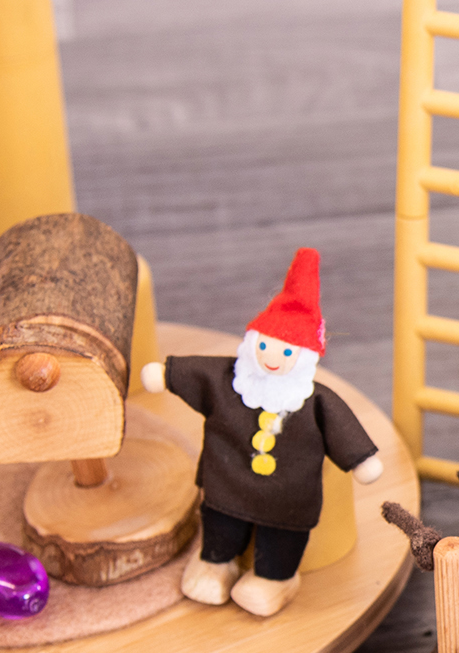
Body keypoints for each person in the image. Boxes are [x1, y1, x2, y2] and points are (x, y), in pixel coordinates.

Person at [142, 249, 383, 619]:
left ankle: (275, 580)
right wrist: (165, 375)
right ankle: (215, 563)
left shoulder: (316, 400)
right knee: (220, 525)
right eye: (265, 345)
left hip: (287, 499)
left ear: (304, 356)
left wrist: (361, 460)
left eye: (285, 351)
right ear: (253, 341)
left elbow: (341, 426)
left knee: (281, 540)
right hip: (227, 484)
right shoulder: (230, 379)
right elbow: (197, 375)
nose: (271, 358)